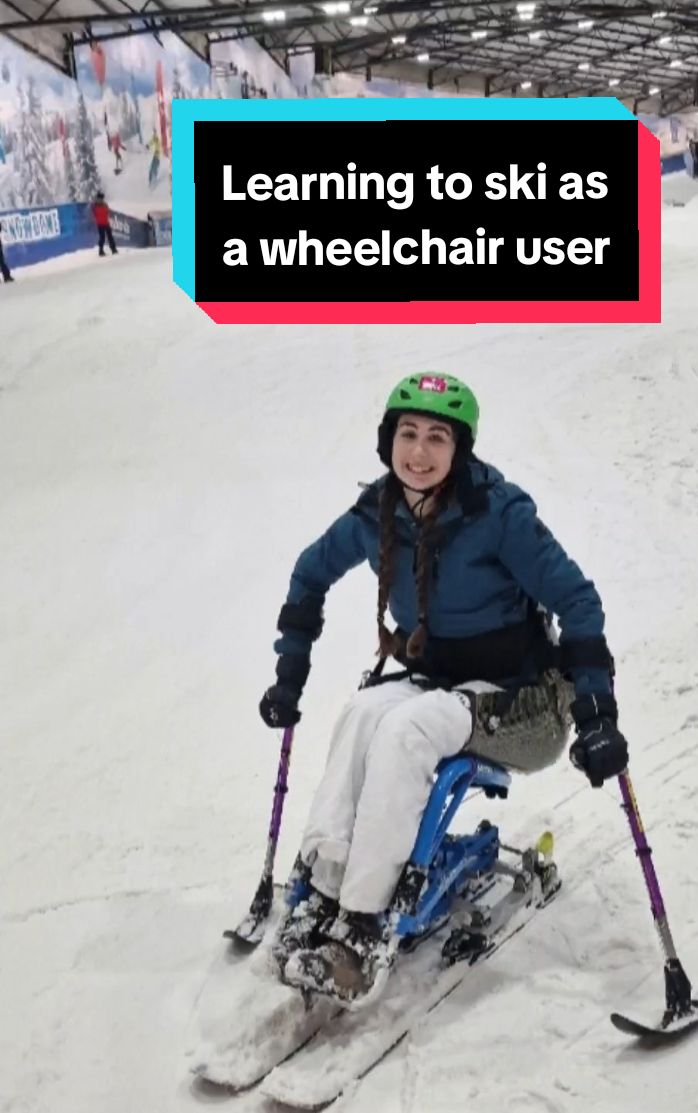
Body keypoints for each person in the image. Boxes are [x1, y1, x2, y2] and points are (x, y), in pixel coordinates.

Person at [259, 373, 628, 1003]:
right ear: (388, 440)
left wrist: (595, 710)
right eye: (408, 434)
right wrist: (289, 671)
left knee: (406, 730)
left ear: (462, 450)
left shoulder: (498, 513)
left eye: (438, 437)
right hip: (440, 679)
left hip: (523, 700)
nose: (420, 451)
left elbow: (578, 600)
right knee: (362, 713)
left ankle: (364, 927)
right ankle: (322, 891)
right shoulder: (380, 511)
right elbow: (309, 572)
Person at [91, 191, 118, 257]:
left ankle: (113, 249)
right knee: (102, 237)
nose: (101, 200)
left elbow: (107, 212)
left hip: (106, 223)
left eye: (102, 198)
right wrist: (96, 220)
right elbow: (94, 214)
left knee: (110, 236)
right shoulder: (95, 205)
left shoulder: (104, 204)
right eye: (100, 198)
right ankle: (101, 250)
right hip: (100, 224)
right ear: (98, 198)